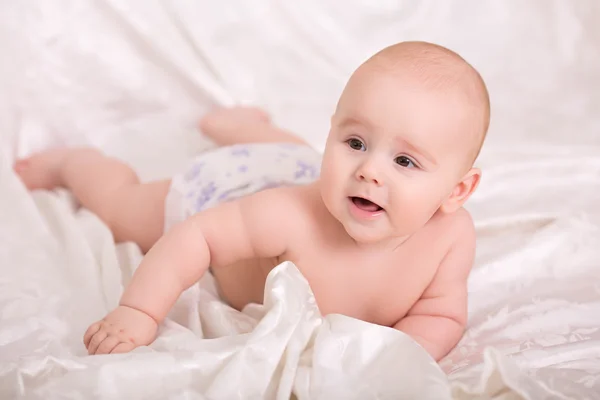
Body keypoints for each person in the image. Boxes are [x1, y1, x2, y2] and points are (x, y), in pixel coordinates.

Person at [14, 41, 490, 361]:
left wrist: (390, 362)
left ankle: (239, 126)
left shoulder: (450, 237)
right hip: (230, 186)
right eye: (355, 142)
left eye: (405, 162)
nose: (369, 169)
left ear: (457, 191)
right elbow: (195, 237)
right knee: (122, 210)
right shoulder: (289, 216)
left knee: (289, 155)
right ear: (333, 131)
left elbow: (440, 316)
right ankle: (75, 163)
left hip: (289, 160)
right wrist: (140, 310)